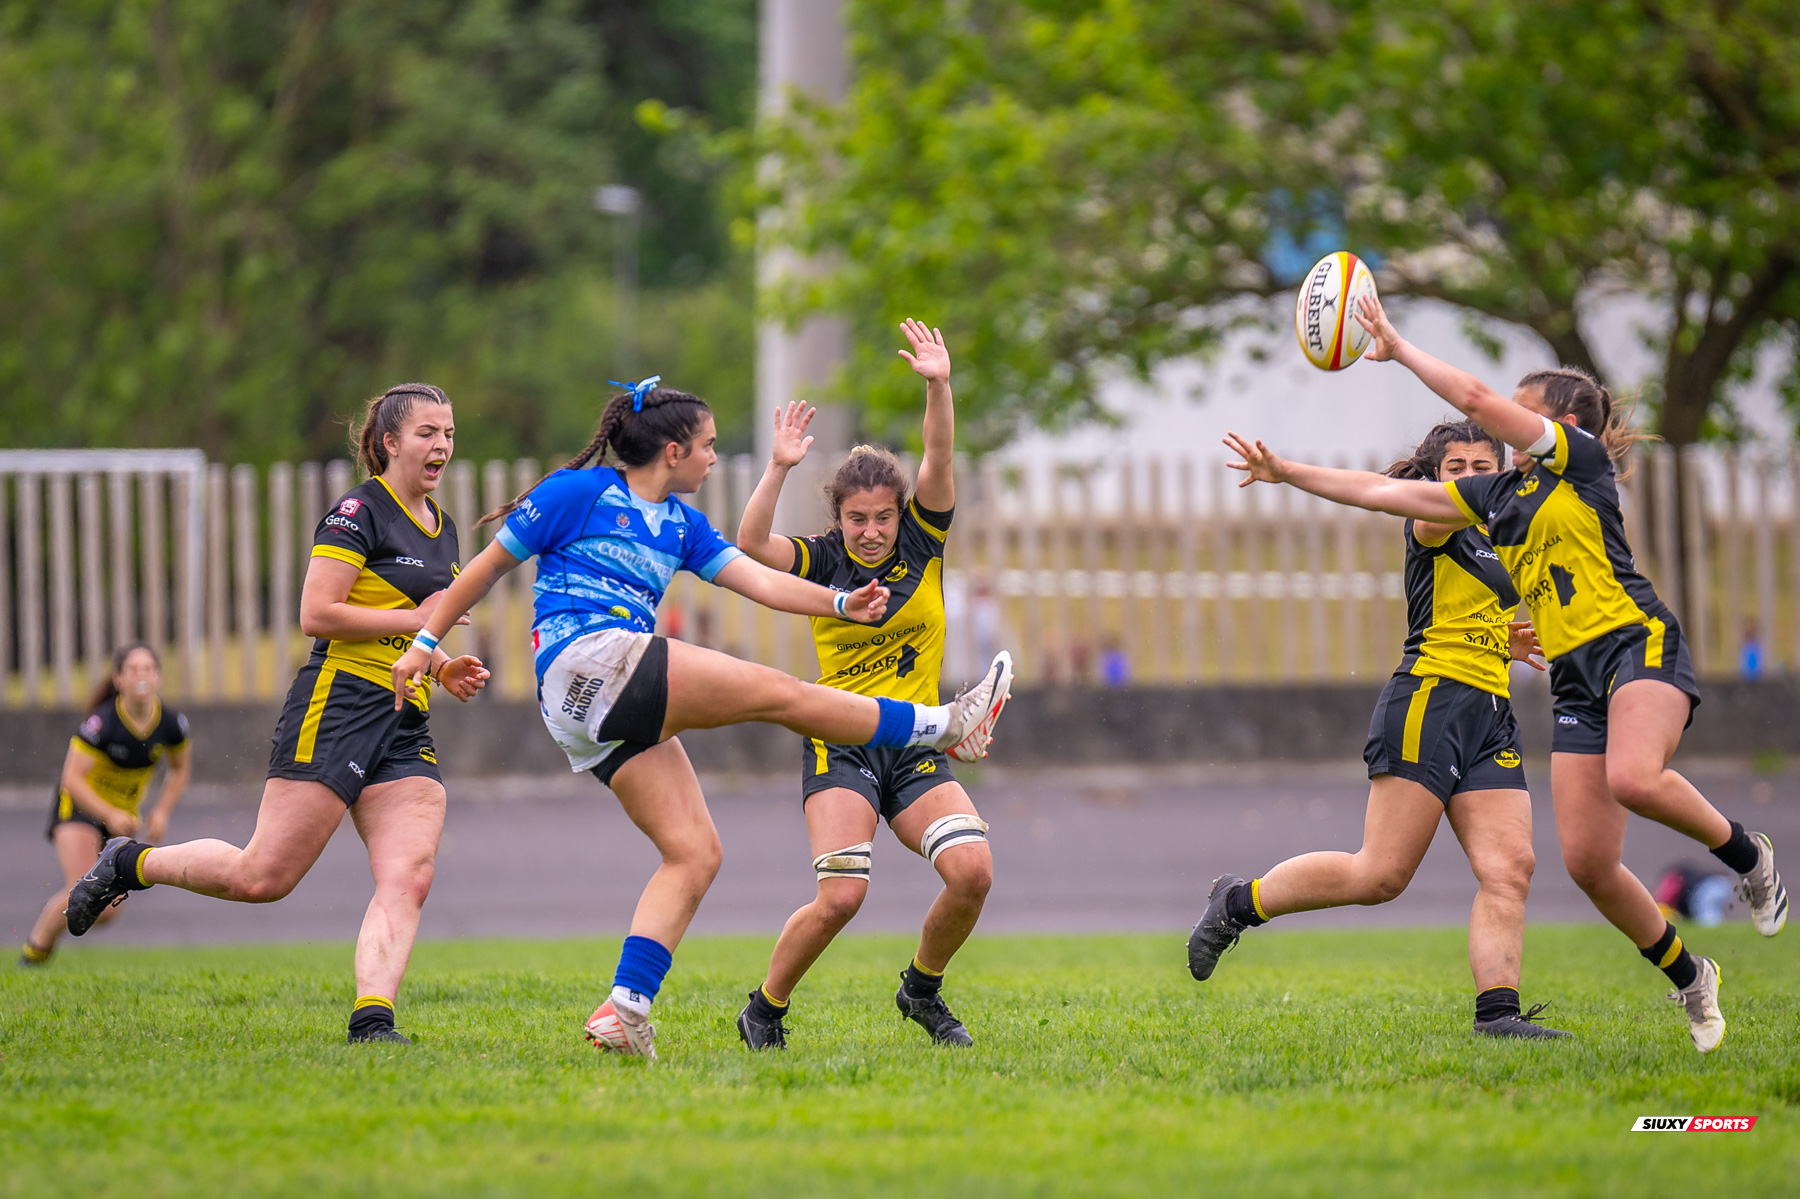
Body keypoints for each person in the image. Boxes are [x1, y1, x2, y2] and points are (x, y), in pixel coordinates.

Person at [1217, 293, 1787, 1053]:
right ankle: (1692, 975)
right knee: (1588, 862)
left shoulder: (1579, 466)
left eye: (1524, 416)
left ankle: (1748, 855)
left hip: (1635, 643)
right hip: (1574, 682)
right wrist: (1287, 470)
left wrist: (1396, 343)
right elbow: (1390, 493)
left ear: (1566, 428)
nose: (1502, 425)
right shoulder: (1498, 498)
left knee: (1633, 777)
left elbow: (1477, 398)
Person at [386, 376, 1014, 1061]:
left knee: (695, 852)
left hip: (586, 713)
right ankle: (940, 724)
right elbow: (483, 569)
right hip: (589, 662)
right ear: (675, 450)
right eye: (710, 447)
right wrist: (424, 644)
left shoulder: (683, 526)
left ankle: (626, 1011)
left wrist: (837, 605)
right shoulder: (577, 492)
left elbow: (760, 579)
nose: (715, 458)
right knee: (781, 693)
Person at [63, 384, 491, 1044]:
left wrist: (439, 663)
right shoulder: (358, 511)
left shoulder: (444, 526)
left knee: (411, 874)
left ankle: (372, 1019)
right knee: (262, 876)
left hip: (405, 718)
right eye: (428, 432)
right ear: (389, 443)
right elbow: (317, 613)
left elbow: (417, 633)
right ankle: (130, 863)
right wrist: (418, 619)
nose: (442, 446)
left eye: (450, 433)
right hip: (339, 703)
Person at [1188, 421, 1563, 1038]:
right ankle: (1237, 902)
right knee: (1379, 876)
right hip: (1430, 704)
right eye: (1456, 467)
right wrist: (1288, 472)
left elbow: (1468, 607)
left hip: (1491, 713)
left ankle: (1499, 1015)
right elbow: (1368, 490)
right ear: (1436, 477)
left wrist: (1505, 636)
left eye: (1481, 465)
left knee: (1510, 867)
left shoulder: (1502, 533)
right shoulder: (1437, 518)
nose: (1470, 476)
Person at [732, 320, 994, 1051]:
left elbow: (938, 453)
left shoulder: (922, 541)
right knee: (843, 893)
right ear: (838, 516)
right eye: (858, 519)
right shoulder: (820, 561)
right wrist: (779, 465)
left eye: (882, 517)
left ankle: (921, 989)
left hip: (912, 741)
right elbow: (752, 546)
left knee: (971, 870)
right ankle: (765, 1007)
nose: (873, 531)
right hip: (842, 737)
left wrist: (939, 385)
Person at [19, 643, 191, 966]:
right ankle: (34, 953)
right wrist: (109, 812)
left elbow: (180, 769)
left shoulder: (171, 723)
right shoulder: (103, 723)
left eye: (147, 669)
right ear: (118, 680)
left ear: (158, 678)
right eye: (133, 670)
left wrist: (162, 811)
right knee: (84, 888)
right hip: (79, 808)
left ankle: (45, 936)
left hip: (120, 818)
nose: (141, 676)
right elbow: (71, 778)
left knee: (108, 911)